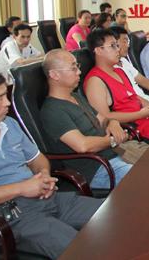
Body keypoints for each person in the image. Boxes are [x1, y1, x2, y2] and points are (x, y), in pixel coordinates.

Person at [0, 69, 103, 259]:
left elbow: (37, 159)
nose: (8, 103)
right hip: (6, 216)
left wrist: (43, 175)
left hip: (44, 197)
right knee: (84, 251)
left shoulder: (9, 124)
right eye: (0, 97)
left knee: (114, 217)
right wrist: (22, 188)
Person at [40, 50, 132, 188]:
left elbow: (103, 119)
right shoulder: (52, 111)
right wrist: (113, 140)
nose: (79, 72)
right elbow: (83, 146)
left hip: (116, 154)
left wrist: (113, 123)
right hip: (98, 169)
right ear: (54, 75)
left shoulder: (75, 97)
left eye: (77, 66)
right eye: (73, 68)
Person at [84, 29, 149, 142]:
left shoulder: (119, 71)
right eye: (113, 46)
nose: (118, 49)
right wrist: (140, 114)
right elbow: (104, 117)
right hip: (136, 129)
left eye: (117, 45)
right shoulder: (95, 81)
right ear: (98, 51)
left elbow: (135, 97)